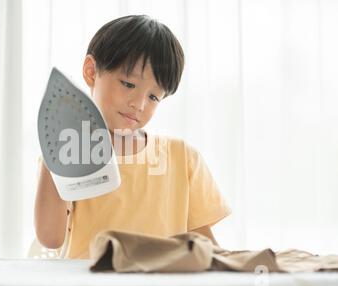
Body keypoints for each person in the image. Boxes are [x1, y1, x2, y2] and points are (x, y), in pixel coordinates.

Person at [34, 15, 231, 259]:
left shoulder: (182, 157)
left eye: (153, 97)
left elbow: (205, 244)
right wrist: (53, 148)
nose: (138, 104)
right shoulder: (74, 151)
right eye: (128, 84)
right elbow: (50, 238)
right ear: (91, 71)